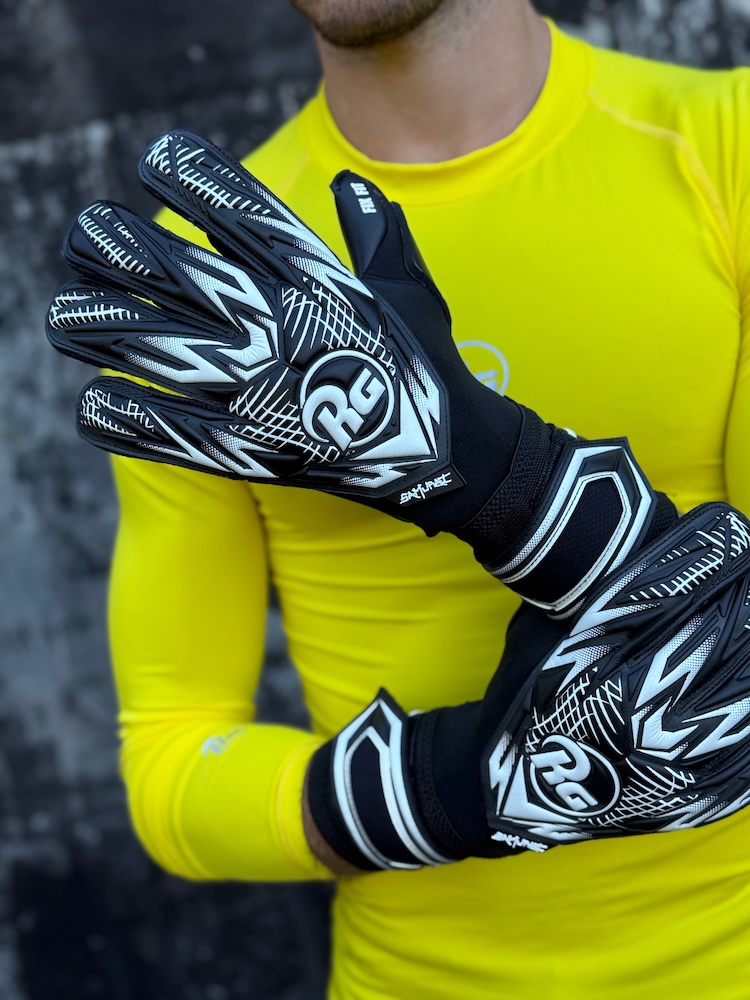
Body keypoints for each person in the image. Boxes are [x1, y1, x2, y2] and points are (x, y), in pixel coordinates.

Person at [69, 1, 750, 996]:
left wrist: (492, 476)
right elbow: (171, 768)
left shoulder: (726, 146)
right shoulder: (211, 297)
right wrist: (454, 790)